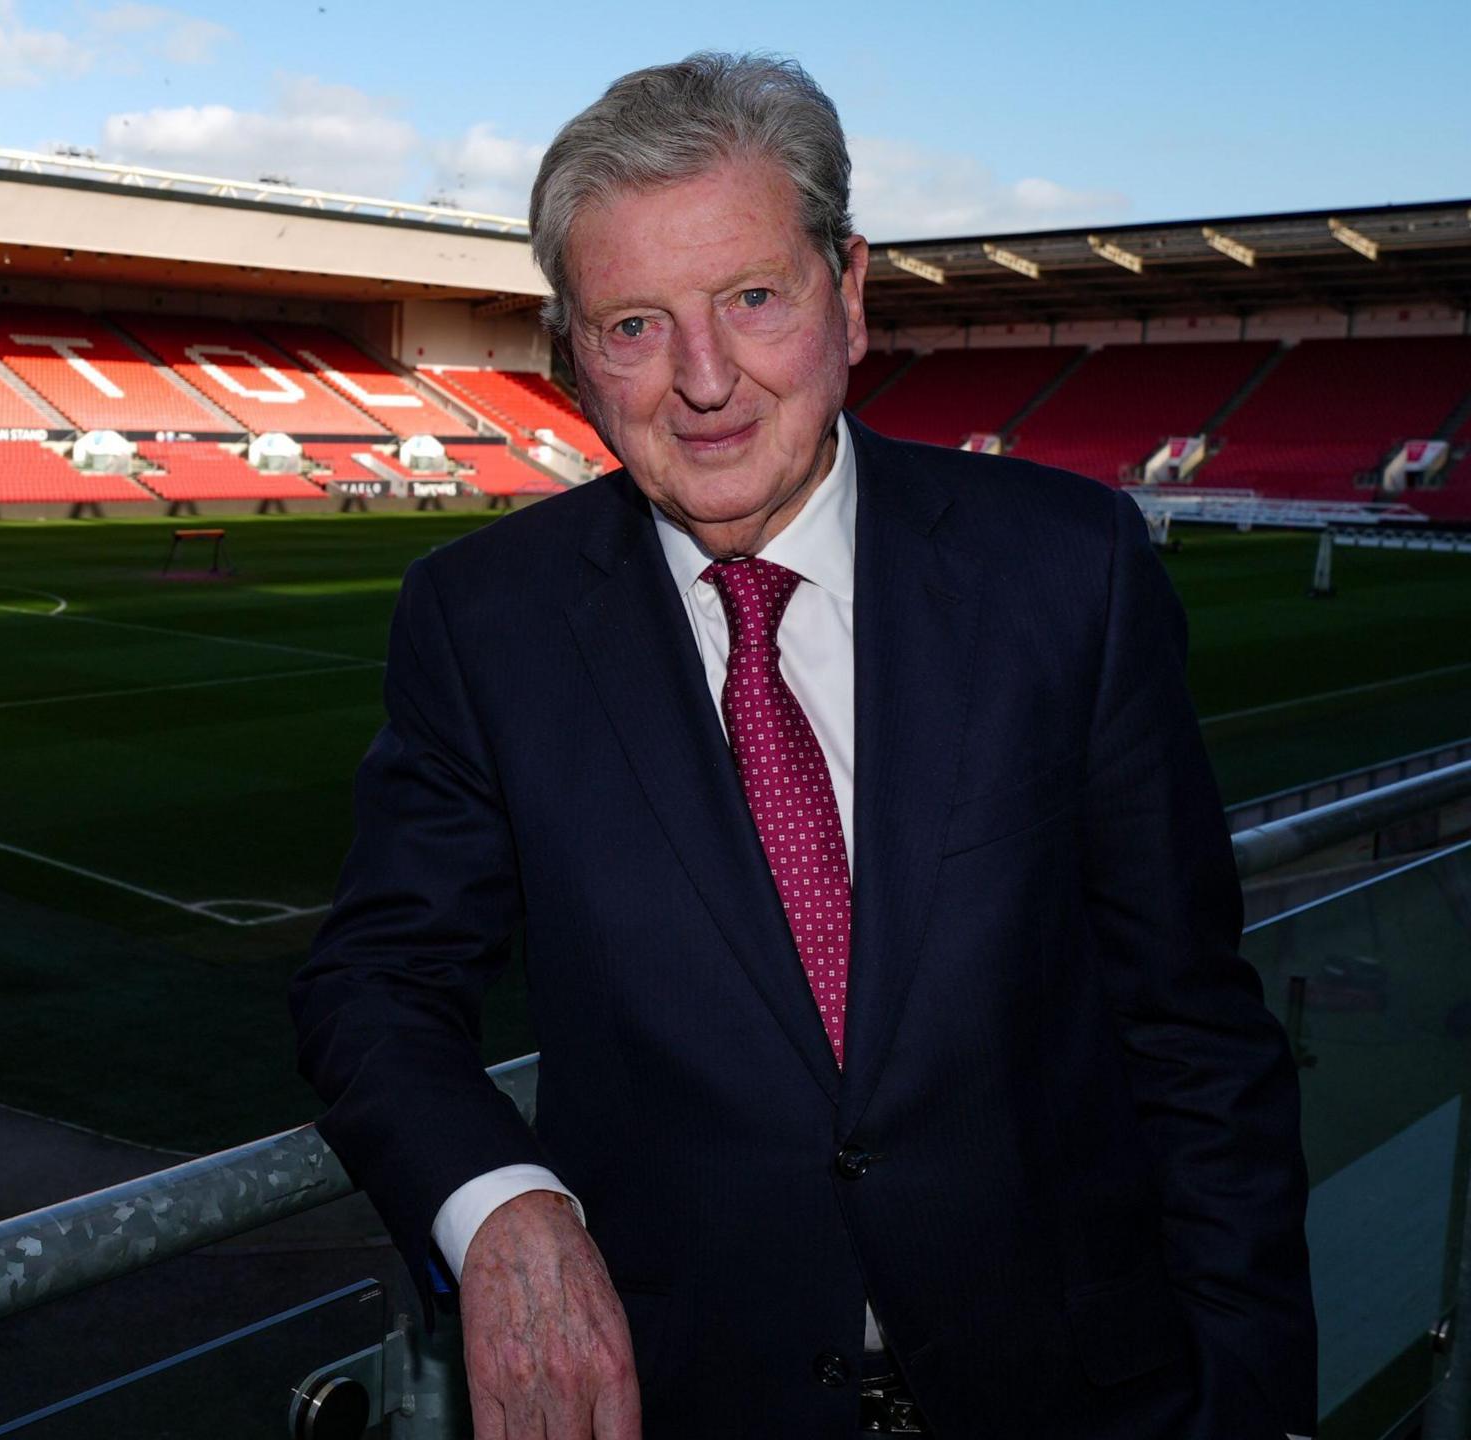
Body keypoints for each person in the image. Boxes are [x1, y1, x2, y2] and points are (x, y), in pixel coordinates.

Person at [288, 52, 1314, 1440]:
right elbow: (375, 985)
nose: (703, 382)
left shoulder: (1067, 573)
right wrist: (503, 1207)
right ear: (573, 352)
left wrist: (1256, 1407)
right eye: (635, 324)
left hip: (1079, 1395)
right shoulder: (484, 622)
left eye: (753, 299)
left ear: (850, 291)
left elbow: (1195, 1036)